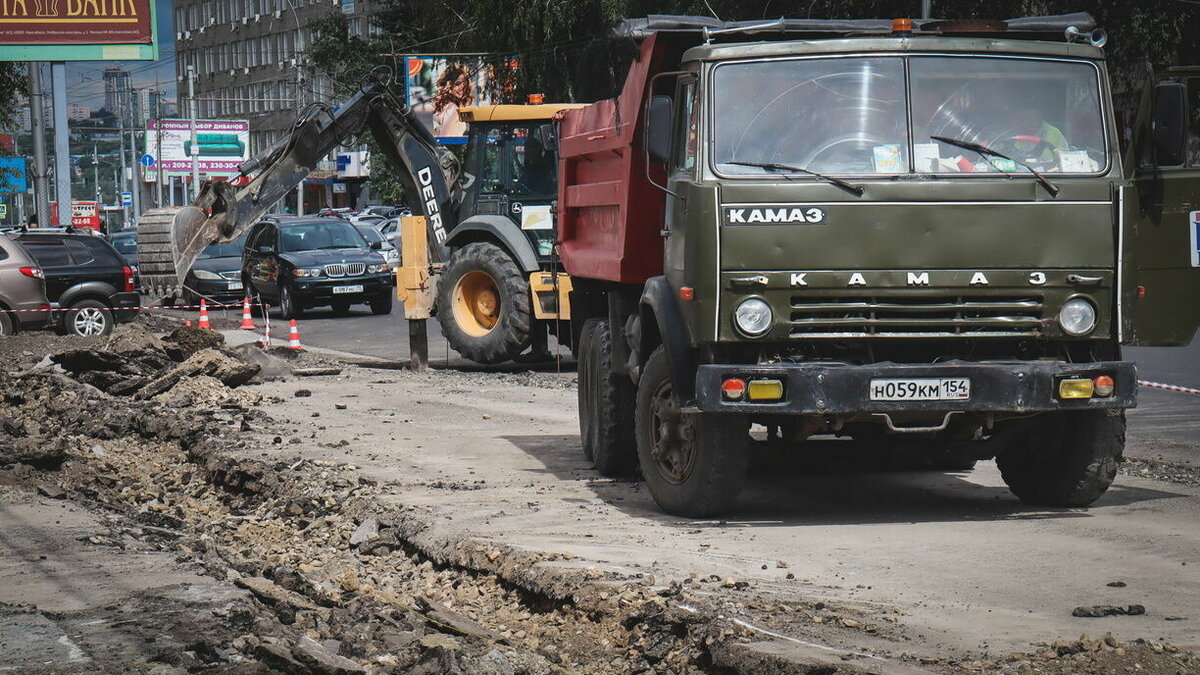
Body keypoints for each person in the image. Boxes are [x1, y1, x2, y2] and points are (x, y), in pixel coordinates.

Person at [432, 63, 473, 138]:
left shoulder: (443, 107)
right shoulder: (453, 109)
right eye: (457, 84)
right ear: (449, 85)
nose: (461, 88)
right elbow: (445, 136)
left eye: (464, 84)